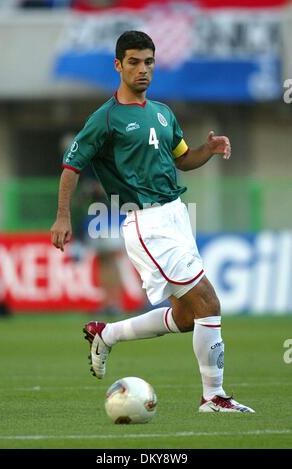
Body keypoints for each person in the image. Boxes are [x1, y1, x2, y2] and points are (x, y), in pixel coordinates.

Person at [51, 30, 254, 413]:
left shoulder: (163, 113)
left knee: (187, 316)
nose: (143, 69)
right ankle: (213, 396)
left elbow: (182, 159)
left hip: (176, 215)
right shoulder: (105, 118)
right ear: (118, 65)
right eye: (133, 62)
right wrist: (62, 217)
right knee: (209, 302)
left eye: (148, 62)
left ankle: (106, 334)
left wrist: (206, 151)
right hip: (146, 222)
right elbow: (70, 167)